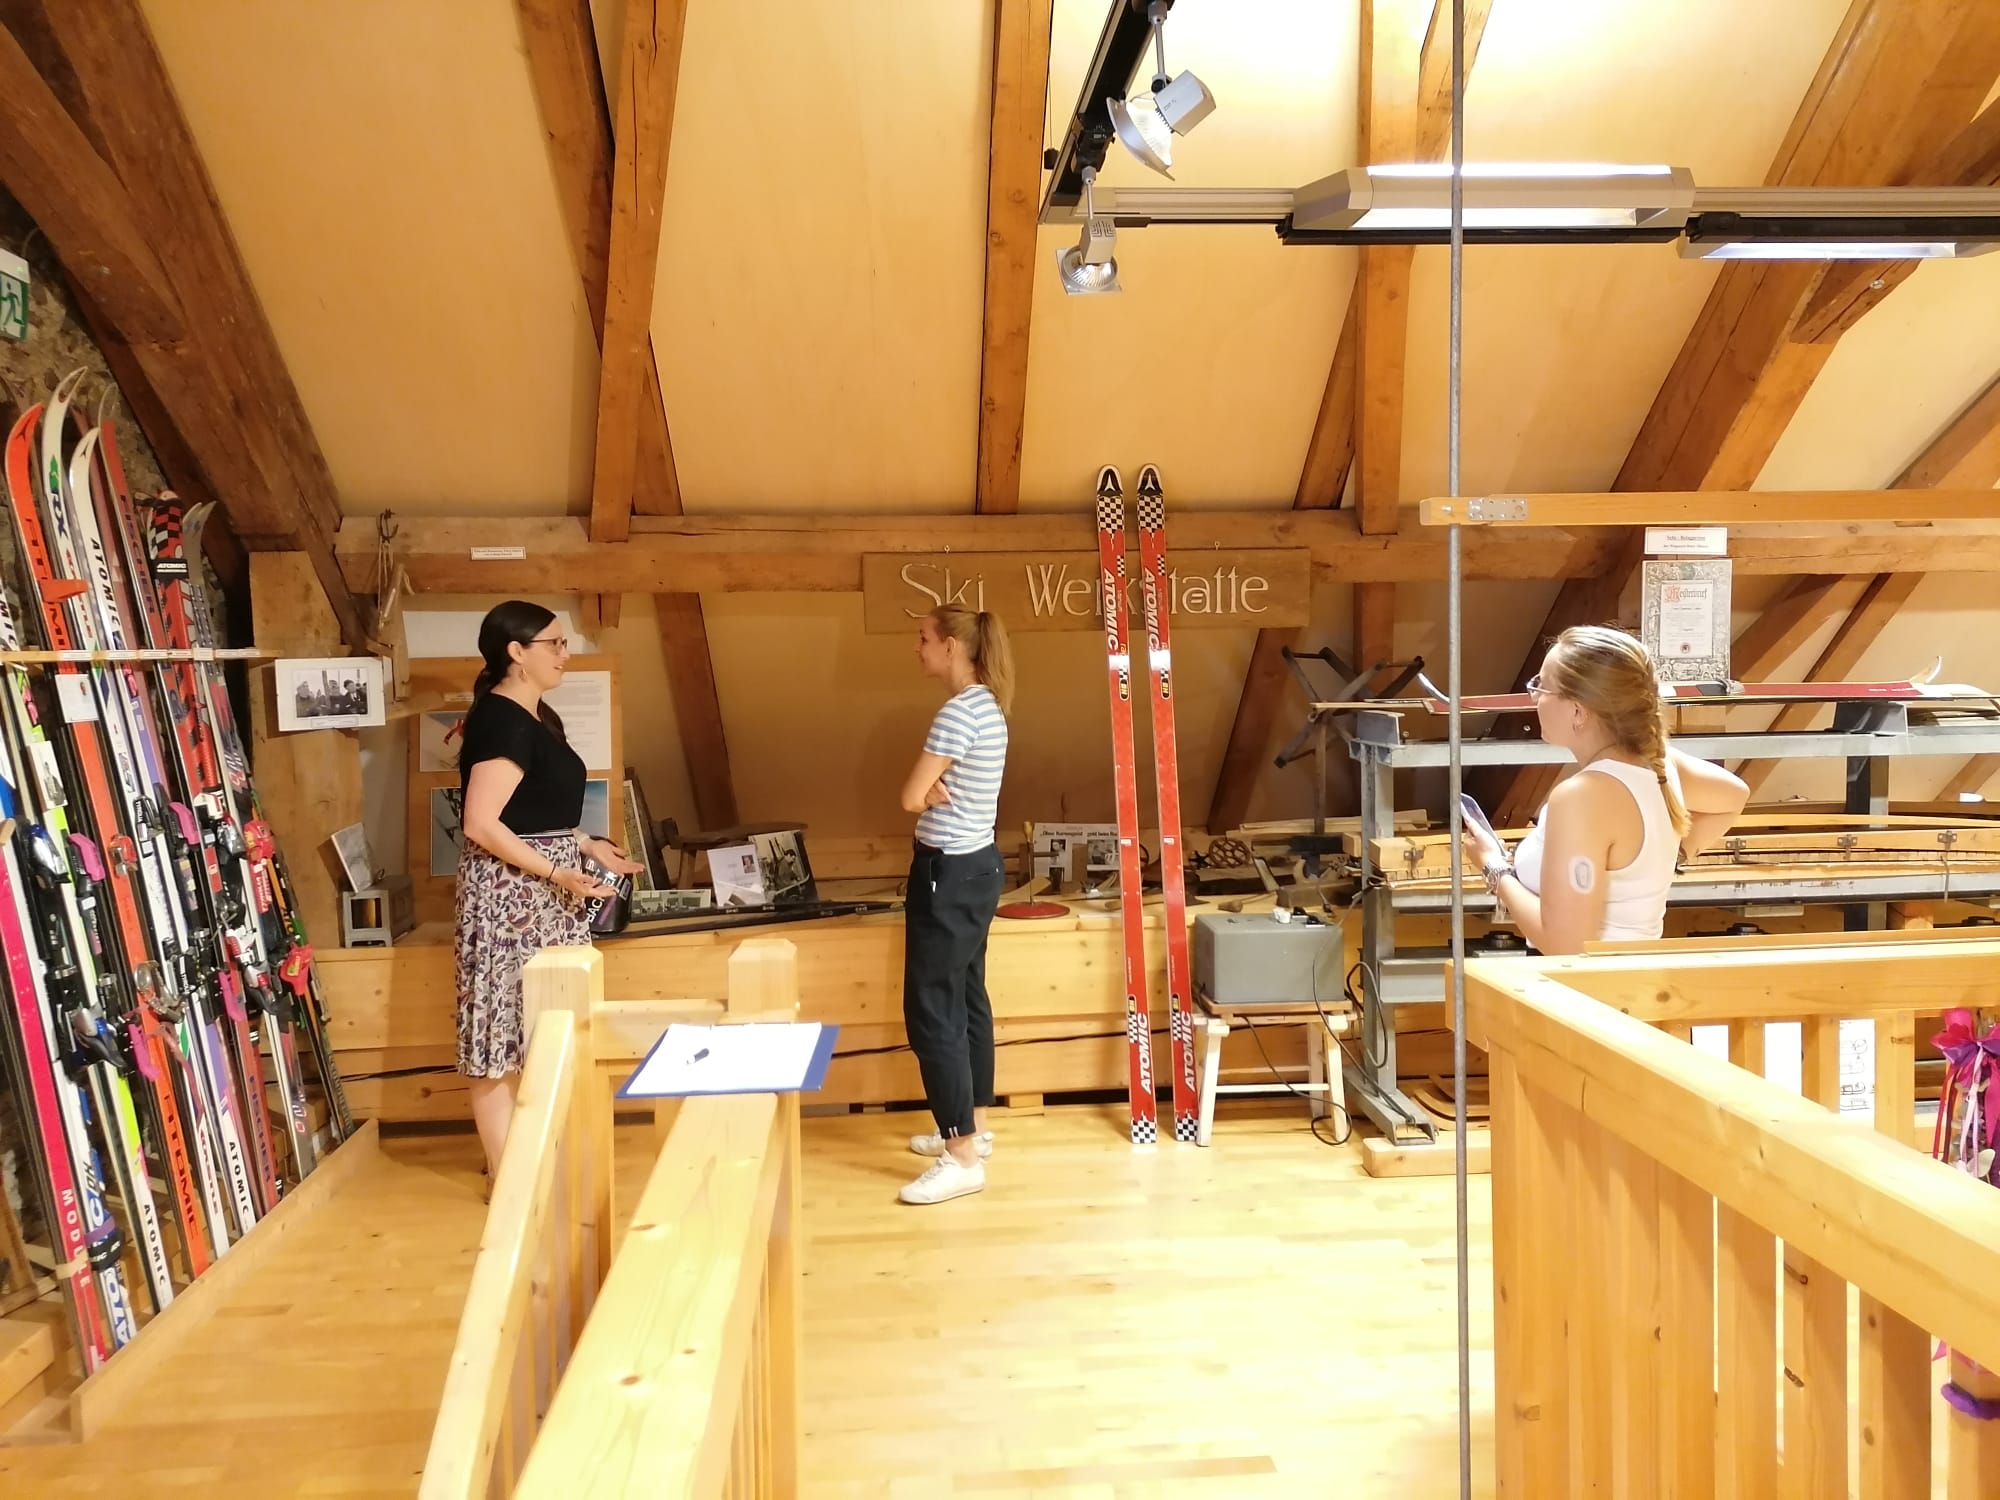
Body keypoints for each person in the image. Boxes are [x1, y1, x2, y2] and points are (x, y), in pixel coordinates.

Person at [455, 601, 644, 1179]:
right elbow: (481, 823)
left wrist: (585, 845)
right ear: (517, 653)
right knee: (498, 1036)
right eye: (555, 644)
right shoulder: (501, 720)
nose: (567, 654)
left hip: (548, 886)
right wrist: (556, 870)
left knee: (541, 1023)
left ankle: (536, 1166)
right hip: (509, 892)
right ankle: (511, 1180)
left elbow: (535, 808)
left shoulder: (537, 719)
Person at [1461, 625, 1747, 954]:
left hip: (1581, 992)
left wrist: (1494, 868)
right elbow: (1734, 796)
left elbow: (1567, 947)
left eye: (1542, 686)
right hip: (1631, 981)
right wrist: (1664, 859)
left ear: (1578, 711)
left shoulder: (1581, 796)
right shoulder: (1660, 764)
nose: (1535, 697)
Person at [895, 606, 1014, 1205]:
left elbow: (910, 795)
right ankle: (976, 1127)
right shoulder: (989, 706)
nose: (916, 648)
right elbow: (929, 792)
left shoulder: (956, 712)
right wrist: (932, 791)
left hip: (948, 876)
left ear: (951, 647)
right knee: (968, 998)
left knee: (931, 1009)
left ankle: (961, 1154)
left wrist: (926, 793)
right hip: (978, 869)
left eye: (923, 639)